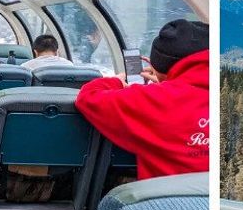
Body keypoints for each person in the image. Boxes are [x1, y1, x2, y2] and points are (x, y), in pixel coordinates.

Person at [75, 19, 209, 179]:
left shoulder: (154, 99)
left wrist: (117, 81)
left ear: (159, 66)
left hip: (167, 201)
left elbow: (88, 97)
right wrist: (168, 81)